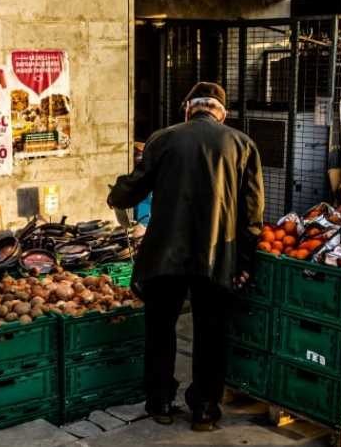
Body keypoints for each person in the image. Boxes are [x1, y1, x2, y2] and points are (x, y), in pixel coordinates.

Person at [107, 82, 264, 431]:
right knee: (211, 332)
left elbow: (133, 187)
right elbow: (252, 216)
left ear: (188, 108)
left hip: (165, 254)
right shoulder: (242, 145)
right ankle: (205, 410)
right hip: (216, 255)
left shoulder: (163, 138)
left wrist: (115, 196)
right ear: (222, 112)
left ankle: (160, 401)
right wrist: (245, 262)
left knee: (160, 328)